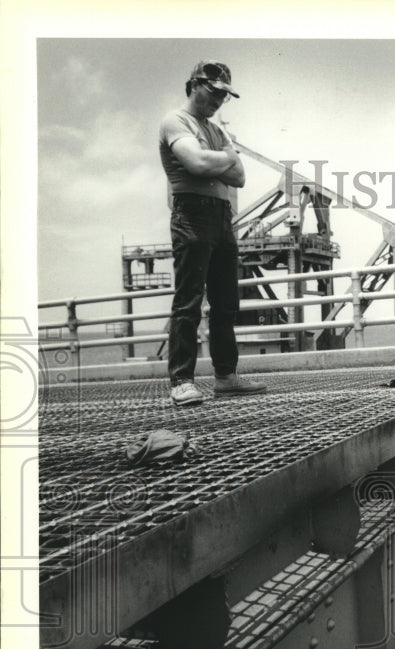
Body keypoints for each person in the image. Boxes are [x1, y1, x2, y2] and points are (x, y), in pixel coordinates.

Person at [158, 60, 266, 406]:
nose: (219, 100)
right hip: (192, 214)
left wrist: (218, 161)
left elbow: (240, 177)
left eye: (225, 96)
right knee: (189, 300)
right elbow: (199, 164)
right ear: (194, 86)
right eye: (215, 92)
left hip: (221, 218)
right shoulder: (176, 121)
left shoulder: (214, 130)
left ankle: (226, 377)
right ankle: (181, 382)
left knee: (226, 302)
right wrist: (223, 158)